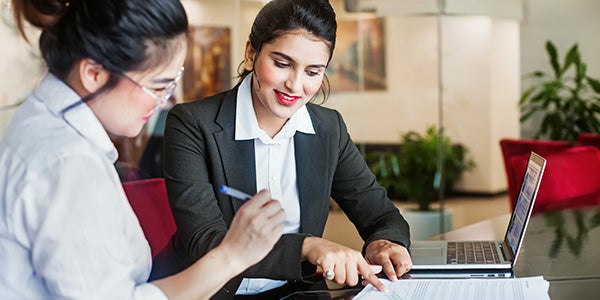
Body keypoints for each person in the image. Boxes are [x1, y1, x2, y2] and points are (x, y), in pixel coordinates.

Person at [0, 0, 285, 299]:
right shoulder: (68, 166)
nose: (163, 102)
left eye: (172, 84)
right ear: (94, 73)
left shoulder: (43, 120)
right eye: (158, 86)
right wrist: (233, 255)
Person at [162, 0, 413, 297]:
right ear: (251, 52)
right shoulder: (192, 123)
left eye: (313, 72)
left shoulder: (328, 128)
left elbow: (381, 216)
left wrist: (383, 243)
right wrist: (308, 247)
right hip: (210, 292)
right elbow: (205, 242)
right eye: (282, 64)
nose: (295, 85)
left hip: (297, 293)